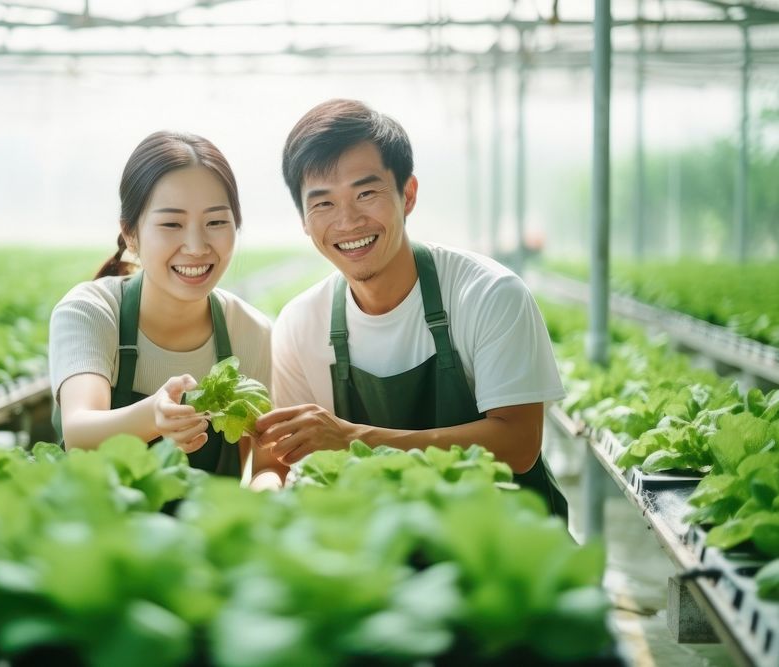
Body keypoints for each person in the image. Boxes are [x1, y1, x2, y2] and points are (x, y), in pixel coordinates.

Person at [257, 99, 567, 516]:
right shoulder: (300, 324)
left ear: (408, 194)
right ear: (303, 219)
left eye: (366, 193)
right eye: (323, 203)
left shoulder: (489, 294)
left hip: (501, 548)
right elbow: (290, 461)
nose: (347, 221)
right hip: (380, 547)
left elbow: (517, 444)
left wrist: (352, 439)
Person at [48, 131, 282, 488]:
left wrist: (268, 493)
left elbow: (264, 465)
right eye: (172, 224)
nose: (196, 246)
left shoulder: (250, 331)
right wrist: (153, 416)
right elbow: (79, 431)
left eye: (216, 222)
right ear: (131, 234)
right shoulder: (90, 312)